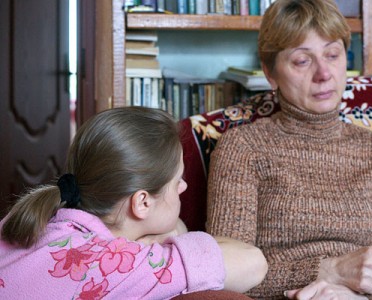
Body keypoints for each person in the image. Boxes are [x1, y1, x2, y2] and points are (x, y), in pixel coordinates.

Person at [206, 0, 372, 299]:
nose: (324, 73)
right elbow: (226, 273)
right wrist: (331, 271)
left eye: (332, 54)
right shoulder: (244, 148)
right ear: (270, 73)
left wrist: (355, 296)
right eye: (302, 61)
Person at [0, 107, 268, 299]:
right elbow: (253, 263)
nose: (184, 187)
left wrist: (168, 232)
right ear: (141, 202)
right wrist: (157, 244)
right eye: (177, 181)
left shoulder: (32, 220)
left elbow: (177, 226)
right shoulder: (120, 266)